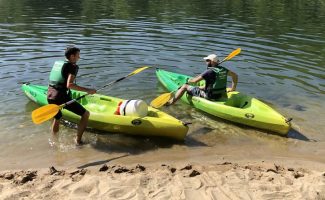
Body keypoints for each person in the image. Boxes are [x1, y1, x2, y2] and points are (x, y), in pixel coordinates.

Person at [47, 47, 96, 145]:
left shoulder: (59, 63)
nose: (79, 57)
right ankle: (78, 141)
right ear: (72, 56)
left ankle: (54, 141)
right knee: (86, 114)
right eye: (78, 55)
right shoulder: (73, 67)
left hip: (50, 95)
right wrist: (88, 90)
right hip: (60, 97)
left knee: (57, 118)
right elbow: (70, 85)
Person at [167, 54, 238, 105]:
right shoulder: (223, 70)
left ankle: (171, 102)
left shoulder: (209, 71)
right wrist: (233, 88)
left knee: (185, 86)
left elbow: (194, 81)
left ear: (212, 62)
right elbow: (235, 75)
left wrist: (188, 81)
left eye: (207, 60)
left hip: (210, 96)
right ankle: (200, 89)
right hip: (221, 95)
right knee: (200, 87)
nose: (206, 62)